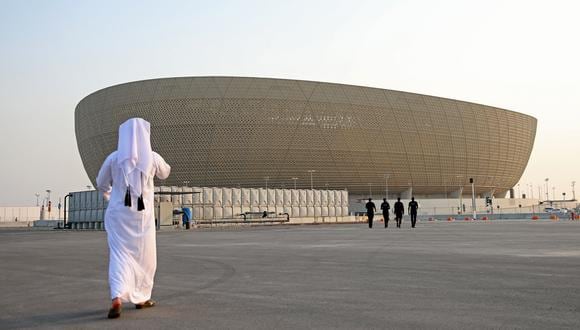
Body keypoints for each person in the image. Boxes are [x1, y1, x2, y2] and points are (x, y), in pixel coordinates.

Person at [96, 118, 171, 319]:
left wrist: (110, 196)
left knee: (120, 256)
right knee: (145, 257)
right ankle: (142, 298)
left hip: (119, 215)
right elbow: (166, 173)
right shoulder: (152, 158)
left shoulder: (113, 158)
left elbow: (101, 183)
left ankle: (117, 297)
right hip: (142, 217)